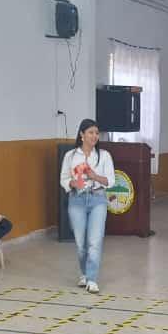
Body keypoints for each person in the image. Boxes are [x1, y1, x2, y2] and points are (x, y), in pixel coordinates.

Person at [60, 120, 116, 294]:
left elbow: (110, 181)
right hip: (76, 200)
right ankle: (84, 274)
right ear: (82, 135)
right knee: (80, 244)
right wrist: (73, 183)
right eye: (91, 132)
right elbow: (63, 179)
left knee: (94, 242)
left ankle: (92, 279)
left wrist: (94, 176)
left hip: (97, 199)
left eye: (97, 133)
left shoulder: (104, 156)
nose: (94, 136)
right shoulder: (70, 156)